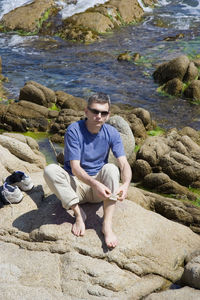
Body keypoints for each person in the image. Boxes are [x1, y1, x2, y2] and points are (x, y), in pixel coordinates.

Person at [44, 92, 132, 248]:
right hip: (76, 188)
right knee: (50, 170)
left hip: (100, 192)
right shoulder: (74, 130)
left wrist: (125, 184)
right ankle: (79, 215)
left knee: (112, 168)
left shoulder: (112, 133)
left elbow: (124, 164)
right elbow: (75, 168)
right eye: (95, 111)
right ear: (86, 111)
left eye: (103, 113)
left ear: (108, 115)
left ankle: (107, 224)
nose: (99, 116)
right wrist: (95, 184)